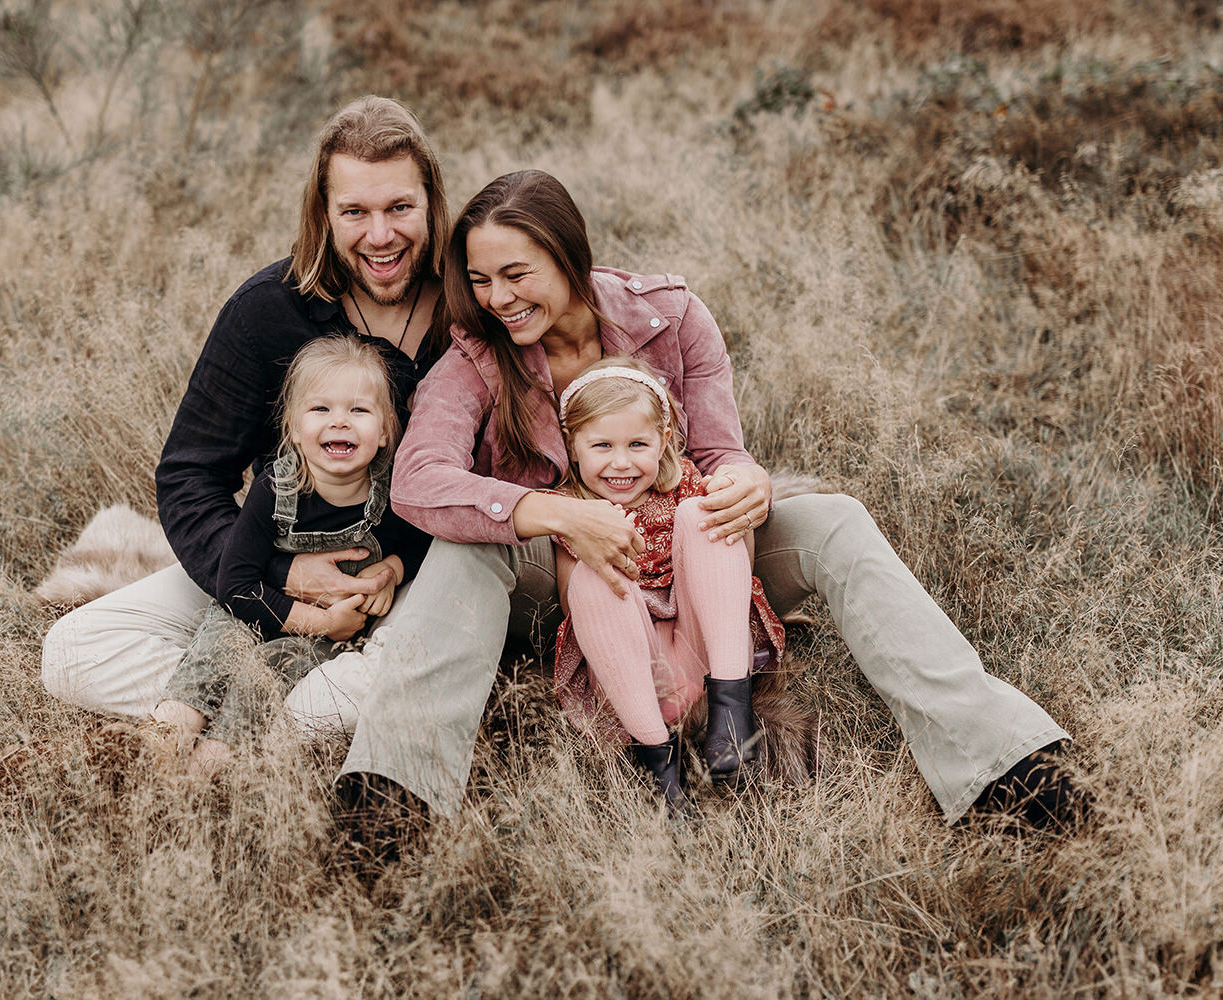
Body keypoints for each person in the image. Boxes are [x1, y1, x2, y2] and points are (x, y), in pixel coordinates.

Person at [380, 168, 1083, 830]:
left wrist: (746, 478)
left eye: (515, 275)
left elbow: (719, 455)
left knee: (833, 520)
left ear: (569, 259)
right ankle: (393, 789)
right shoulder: (476, 356)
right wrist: (557, 512)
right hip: (561, 573)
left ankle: (1001, 766)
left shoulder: (669, 317)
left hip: (691, 552)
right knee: (460, 554)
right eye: (479, 281)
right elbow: (418, 480)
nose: (498, 298)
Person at [40, 96, 447, 769]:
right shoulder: (269, 311)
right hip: (267, 565)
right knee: (70, 653)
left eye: (399, 208)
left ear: (432, 202)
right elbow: (190, 474)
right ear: (323, 213)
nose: (380, 235)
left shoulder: (469, 308)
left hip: (402, 578)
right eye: (355, 212)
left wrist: (392, 570)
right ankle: (245, 711)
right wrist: (280, 581)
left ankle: (252, 713)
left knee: (392, 676)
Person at [143, 337, 431, 777]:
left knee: (264, 675)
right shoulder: (275, 490)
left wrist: (391, 571)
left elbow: (420, 541)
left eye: (359, 411)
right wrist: (321, 621)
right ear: (294, 428)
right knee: (212, 654)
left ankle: (208, 771)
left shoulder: (392, 493)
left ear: (386, 430)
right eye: (321, 410)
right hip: (257, 609)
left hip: (318, 640)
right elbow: (233, 584)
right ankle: (156, 752)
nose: (340, 423)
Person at [548, 356, 805, 812]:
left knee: (705, 513)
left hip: (702, 657)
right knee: (592, 575)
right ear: (572, 447)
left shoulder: (685, 482)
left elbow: (738, 565)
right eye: (602, 445)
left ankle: (732, 713)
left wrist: (726, 497)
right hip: (634, 679)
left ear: (664, 440)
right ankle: (656, 768)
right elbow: (574, 606)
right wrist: (603, 543)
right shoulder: (570, 508)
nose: (621, 463)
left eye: (637, 443)